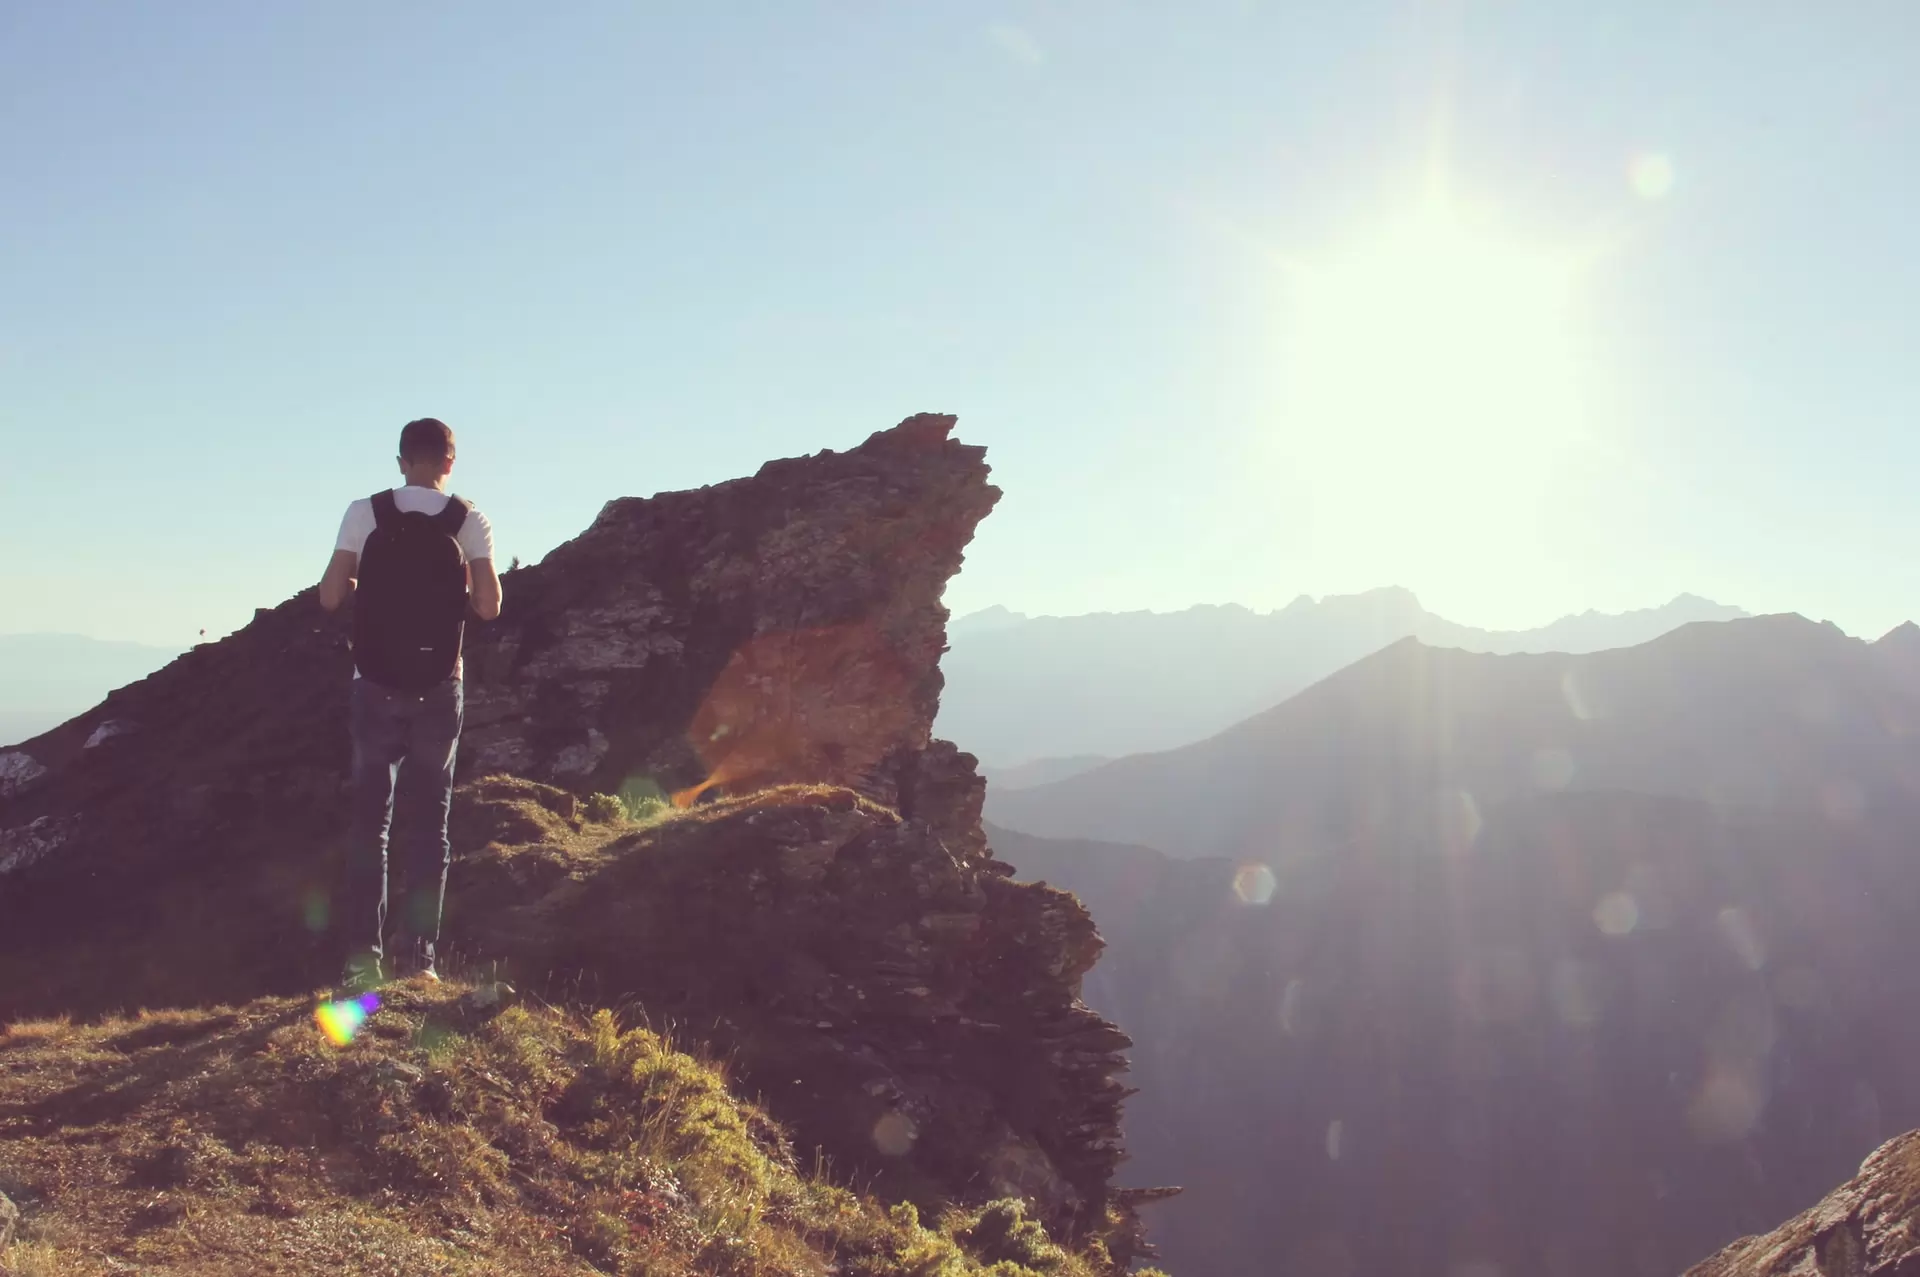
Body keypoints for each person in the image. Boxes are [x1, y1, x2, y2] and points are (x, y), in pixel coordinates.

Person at [318, 418, 501, 988]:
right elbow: (489, 607)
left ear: (401, 460)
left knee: (370, 826)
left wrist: (365, 589)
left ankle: (359, 964)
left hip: (374, 683)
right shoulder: (468, 520)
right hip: (439, 686)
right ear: (450, 461)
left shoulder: (364, 511)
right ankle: (418, 961)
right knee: (430, 828)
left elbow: (329, 596)